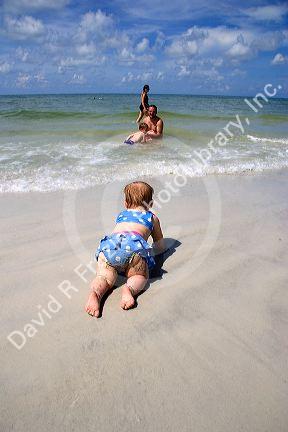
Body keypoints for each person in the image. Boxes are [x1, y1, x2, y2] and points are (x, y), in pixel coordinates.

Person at [85, 181, 165, 317]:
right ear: (150, 205)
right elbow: (159, 244)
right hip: (134, 248)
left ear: (126, 204)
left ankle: (95, 293)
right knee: (139, 276)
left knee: (104, 277)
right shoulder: (151, 217)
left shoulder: (121, 215)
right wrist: (156, 255)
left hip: (110, 247)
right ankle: (129, 290)